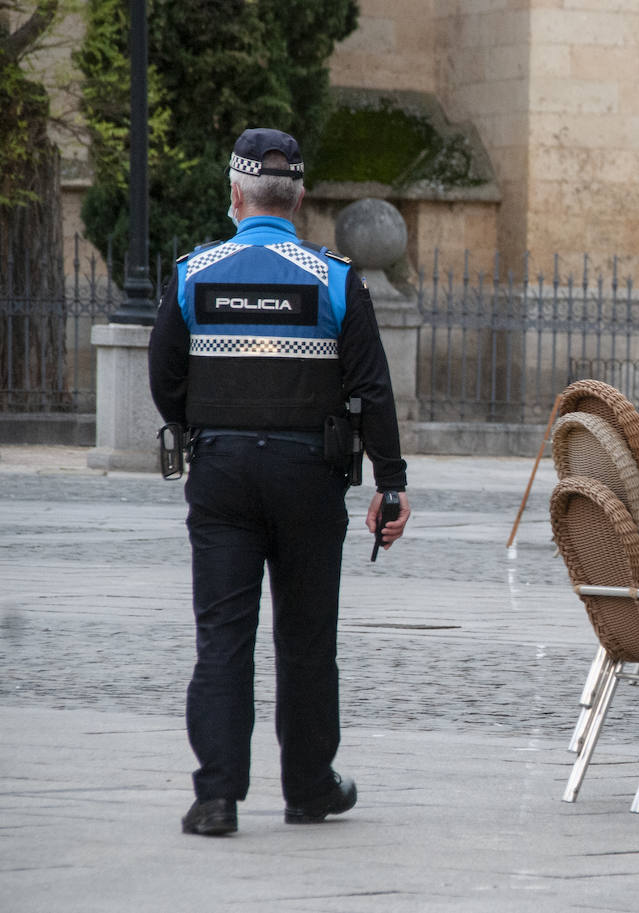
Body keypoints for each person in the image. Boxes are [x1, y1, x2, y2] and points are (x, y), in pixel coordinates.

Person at [148, 128, 412, 836]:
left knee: (223, 636)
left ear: (236, 194)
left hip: (223, 475)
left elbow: (164, 377)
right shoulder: (333, 278)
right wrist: (391, 482)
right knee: (305, 639)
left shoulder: (193, 273)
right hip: (308, 475)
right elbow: (373, 390)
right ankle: (308, 787)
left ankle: (216, 797)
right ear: (298, 198)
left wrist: (207, 430)